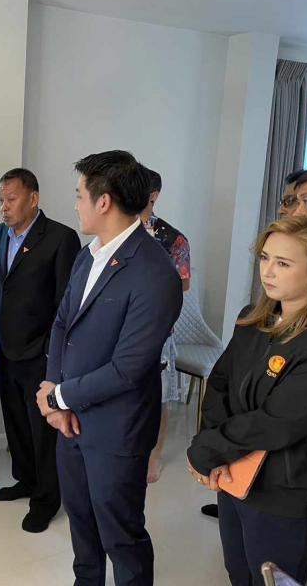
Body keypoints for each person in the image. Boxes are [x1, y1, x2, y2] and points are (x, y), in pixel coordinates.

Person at [37, 150, 183, 586]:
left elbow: (128, 369)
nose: (75, 205)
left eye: (79, 195)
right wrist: (56, 391)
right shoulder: (89, 255)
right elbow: (62, 324)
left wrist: (59, 396)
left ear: (103, 202)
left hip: (117, 430)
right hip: (70, 422)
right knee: (81, 525)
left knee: (121, 535)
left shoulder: (156, 272)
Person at [187, 216, 307, 586]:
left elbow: (278, 421)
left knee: (270, 579)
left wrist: (208, 449)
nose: (268, 271)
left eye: (283, 263)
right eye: (265, 258)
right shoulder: (252, 319)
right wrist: (214, 450)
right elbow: (220, 383)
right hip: (234, 475)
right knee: (238, 572)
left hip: (285, 492)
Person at [0, 168, 81, 533]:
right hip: (4, 348)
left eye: (11, 199)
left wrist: (50, 353)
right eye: (0, 200)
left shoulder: (60, 238)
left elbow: (66, 305)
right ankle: (25, 479)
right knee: (16, 422)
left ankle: (46, 499)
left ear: (33, 198)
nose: (4, 207)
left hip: (39, 353)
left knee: (43, 430)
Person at [141, 168, 191, 484]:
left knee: (159, 397)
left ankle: (155, 455)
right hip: (119, 329)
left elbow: (183, 283)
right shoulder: (117, 230)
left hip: (158, 330)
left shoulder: (172, 238)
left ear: (153, 195)